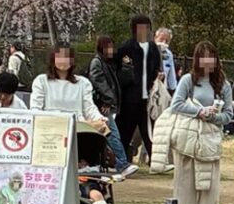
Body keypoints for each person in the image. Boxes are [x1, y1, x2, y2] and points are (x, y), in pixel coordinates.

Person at [169, 40, 234, 204]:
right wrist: (199, 111)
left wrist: (213, 117)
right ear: (197, 59)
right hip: (187, 140)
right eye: (203, 56)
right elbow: (176, 104)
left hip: (210, 141)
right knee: (184, 187)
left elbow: (229, 115)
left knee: (209, 189)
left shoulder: (223, 85)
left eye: (211, 56)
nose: (208, 61)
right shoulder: (188, 80)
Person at [28, 42, 115, 141]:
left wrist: (98, 117)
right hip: (50, 131)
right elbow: (35, 109)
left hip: (78, 131)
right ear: (53, 59)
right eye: (60, 57)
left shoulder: (82, 83)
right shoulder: (41, 81)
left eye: (67, 57)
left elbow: (89, 107)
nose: (64, 61)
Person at [114, 15, 159, 165]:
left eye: (146, 27)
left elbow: (156, 67)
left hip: (148, 98)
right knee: (125, 131)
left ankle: (155, 161)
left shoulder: (153, 48)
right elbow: (118, 71)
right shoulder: (126, 47)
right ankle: (122, 160)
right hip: (130, 99)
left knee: (149, 132)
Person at [88, 35, 132, 173]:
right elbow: (99, 83)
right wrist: (108, 100)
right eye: (108, 46)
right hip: (102, 105)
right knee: (111, 134)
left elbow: (125, 79)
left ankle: (119, 162)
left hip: (108, 104)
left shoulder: (109, 63)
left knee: (109, 134)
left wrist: (127, 65)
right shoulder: (97, 63)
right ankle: (122, 163)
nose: (111, 50)